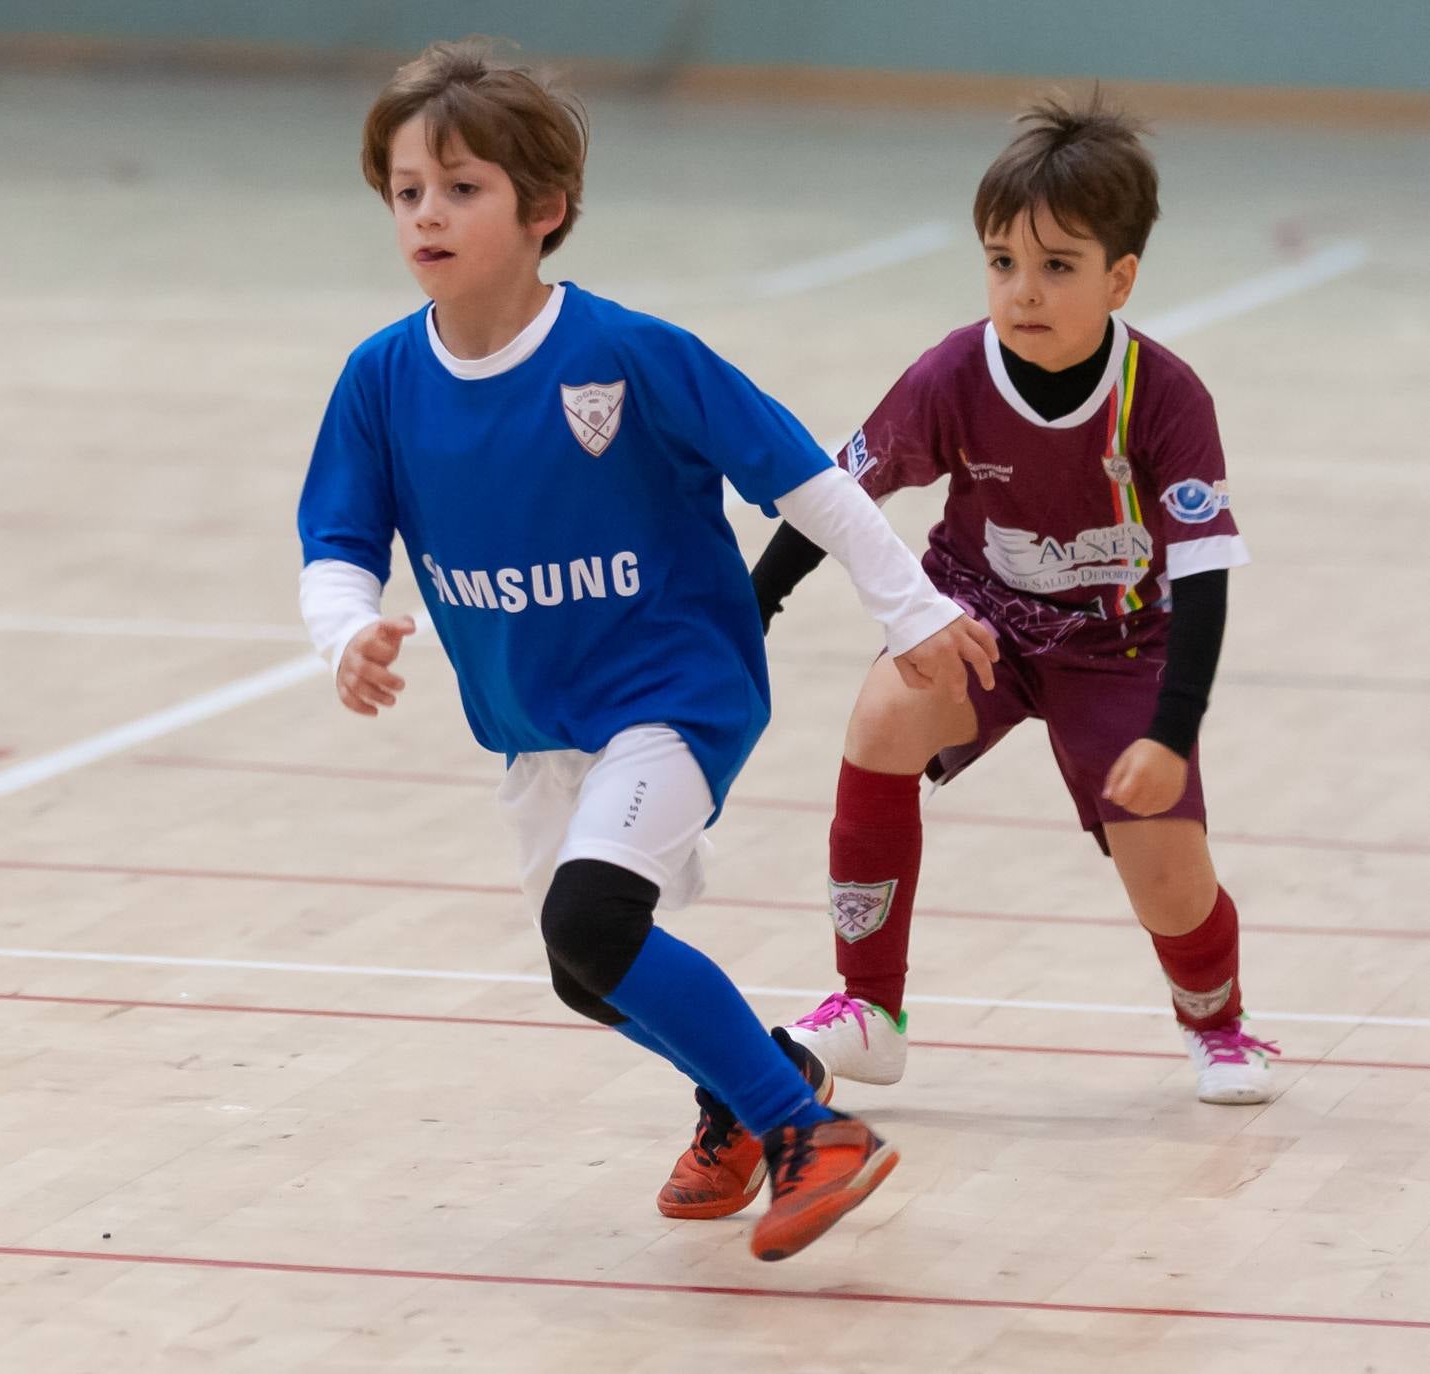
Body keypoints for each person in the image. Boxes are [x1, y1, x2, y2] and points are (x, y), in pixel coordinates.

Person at [295, 39, 996, 1260]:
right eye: (406, 191)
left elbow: (805, 479)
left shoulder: (628, 355)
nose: (426, 214)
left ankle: (808, 1132)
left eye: (461, 188)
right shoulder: (381, 380)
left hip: (677, 691)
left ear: (545, 208)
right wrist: (348, 629)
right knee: (585, 968)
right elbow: (336, 544)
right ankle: (756, 1083)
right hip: (537, 722)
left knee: (594, 919)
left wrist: (912, 608)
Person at [757, 92, 1277, 1106]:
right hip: (978, 615)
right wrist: (753, 605)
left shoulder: (1166, 397)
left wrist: (1171, 733)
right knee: (885, 714)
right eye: (1002, 261)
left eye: (1057, 266)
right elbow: (838, 495)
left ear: (1120, 277)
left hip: (1123, 647)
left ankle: (1216, 1023)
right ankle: (869, 1009)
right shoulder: (952, 373)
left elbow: (1204, 575)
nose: (1023, 290)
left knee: (1169, 882)